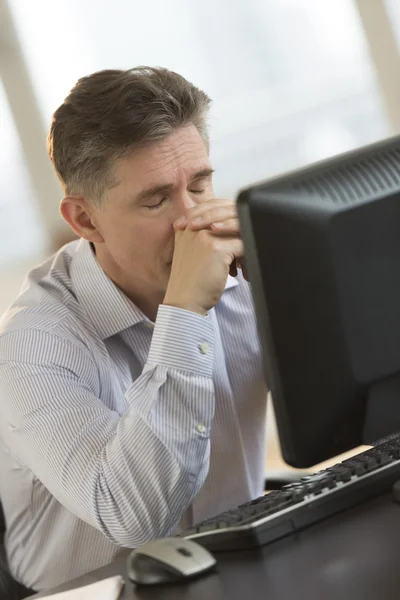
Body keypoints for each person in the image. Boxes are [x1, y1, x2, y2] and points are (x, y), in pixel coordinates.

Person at [0, 67, 267, 593]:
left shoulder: (248, 270)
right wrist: (184, 311)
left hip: (242, 562)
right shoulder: (28, 349)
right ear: (85, 221)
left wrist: (301, 288)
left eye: (199, 184)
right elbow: (135, 515)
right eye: (157, 200)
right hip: (97, 592)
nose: (193, 221)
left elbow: (350, 409)